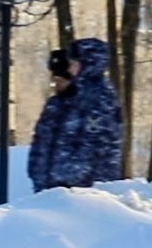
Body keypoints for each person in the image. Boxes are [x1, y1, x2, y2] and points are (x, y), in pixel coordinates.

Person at [27, 38, 124, 192]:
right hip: (56, 191)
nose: (70, 69)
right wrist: (41, 178)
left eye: (75, 63)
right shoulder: (70, 97)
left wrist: (62, 180)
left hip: (85, 194)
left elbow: (91, 147)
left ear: (89, 64)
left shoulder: (100, 98)